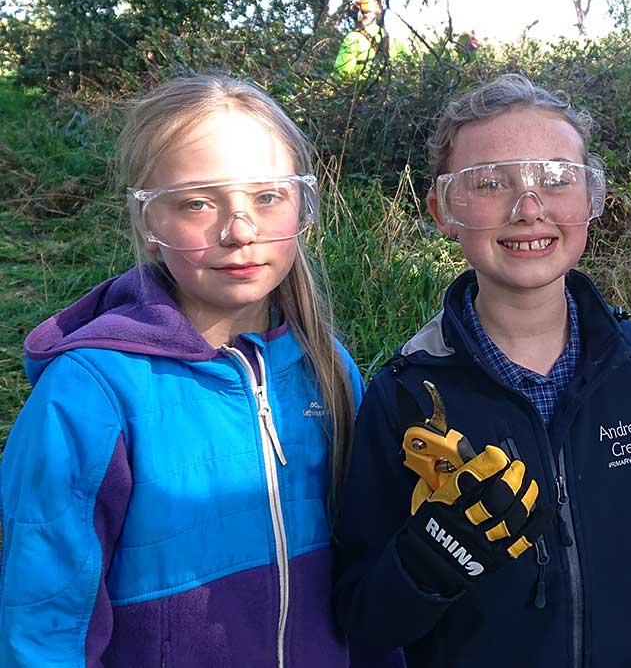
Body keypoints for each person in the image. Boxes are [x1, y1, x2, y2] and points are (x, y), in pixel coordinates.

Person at [0, 74, 400, 667]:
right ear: (148, 223)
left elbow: (364, 574)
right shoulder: (89, 394)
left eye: (267, 198)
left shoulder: (330, 368)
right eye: (196, 202)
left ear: (303, 203)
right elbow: (42, 621)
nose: (239, 232)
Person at [333, 74, 631, 668]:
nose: (528, 209)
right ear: (442, 210)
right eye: (488, 184)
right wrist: (427, 563)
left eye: (557, 180)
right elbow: (364, 618)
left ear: (591, 198)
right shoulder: (406, 396)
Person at [334, 0, 404, 81]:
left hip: (358, 91)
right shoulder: (393, 40)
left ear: (358, 14)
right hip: (389, 92)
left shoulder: (353, 38)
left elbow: (341, 74)